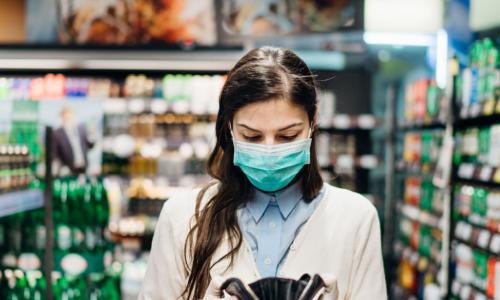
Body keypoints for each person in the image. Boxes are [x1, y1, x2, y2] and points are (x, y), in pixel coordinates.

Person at [139, 47, 387, 299]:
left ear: (313, 123)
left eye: (287, 135)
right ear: (230, 127)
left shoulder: (355, 219)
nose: (269, 150)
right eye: (252, 136)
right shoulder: (183, 217)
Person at [53, 106, 94, 175]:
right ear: (62, 117)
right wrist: (61, 166)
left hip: (84, 167)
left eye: (70, 115)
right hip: (67, 170)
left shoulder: (81, 130)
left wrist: (92, 136)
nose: (68, 118)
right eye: (66, 116)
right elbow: (54, 153)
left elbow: (90, 146)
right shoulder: (57, 133)